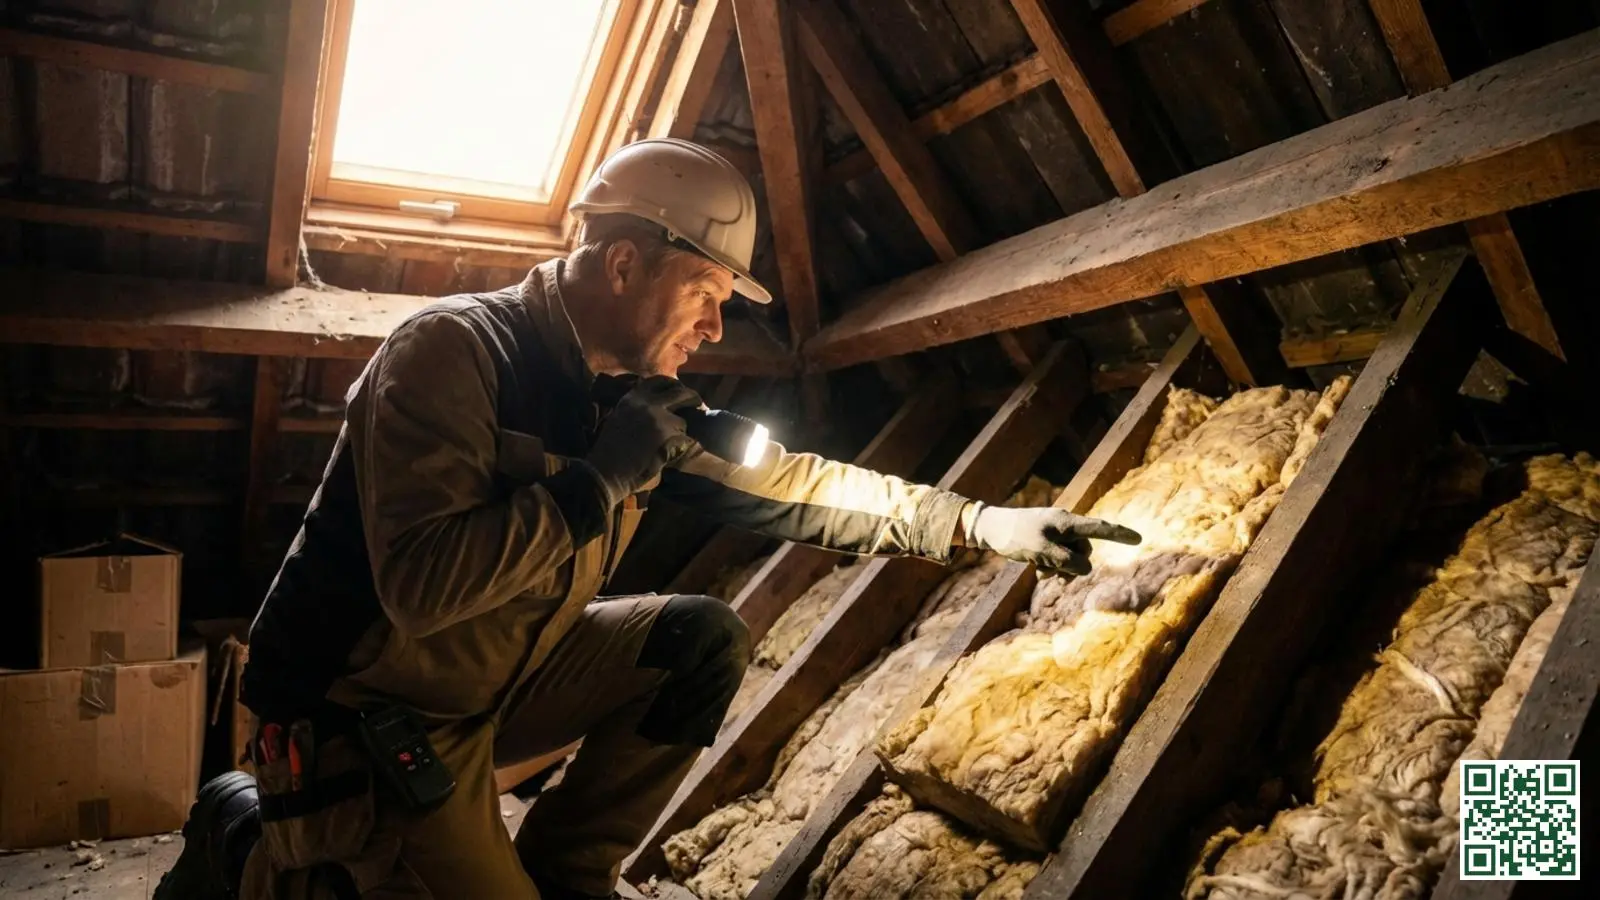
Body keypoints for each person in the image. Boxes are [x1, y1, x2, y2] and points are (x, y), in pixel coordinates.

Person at [155, 138, 1140, 900]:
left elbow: (796, 484)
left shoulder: (633, 401)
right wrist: (600, 476)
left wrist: (977, 524)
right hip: (368, 711)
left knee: (696, 640)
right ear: (624, 264)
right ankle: (242, 833)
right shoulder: (451, 354)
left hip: (501, 674)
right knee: (336, 874)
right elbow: (423, 587)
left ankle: (566, 873)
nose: (714, 328)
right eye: (706, 293)